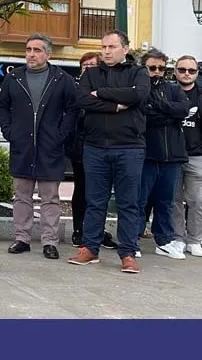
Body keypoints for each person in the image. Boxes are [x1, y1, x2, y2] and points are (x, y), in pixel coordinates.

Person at [67, 30, 150, 274]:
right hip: (95, 147)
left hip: (129, 148)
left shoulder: (138, 72)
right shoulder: (91, 73)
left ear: (125, 49)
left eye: (112, 47)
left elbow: (138, 94)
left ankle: (127, 252)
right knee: (94, 201)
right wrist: (116, 105)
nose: (106, 51)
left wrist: (101, 93)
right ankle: (90, 248)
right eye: (103, 47)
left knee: (128, 203)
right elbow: (82, 100)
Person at [0, 34, 78, 260]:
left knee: (50, 197)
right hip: (22, 147)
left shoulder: (61, 79)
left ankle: (49, 242)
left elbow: (73, 110)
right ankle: (21, 238)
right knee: (21, 195)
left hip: (50, 148)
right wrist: (9, 131)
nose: (31, 54)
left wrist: (60, 134)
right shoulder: (14, 77)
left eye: (37, 50)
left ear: (48, 54)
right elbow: (2, 107)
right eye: (29, 49)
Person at [137, 48, 190, 260]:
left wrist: (162, 107)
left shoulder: (174, 88)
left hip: (173, 156)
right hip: (147, 154)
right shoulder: (140, 90)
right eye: (152, 67)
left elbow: (184, 110)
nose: (157, 71)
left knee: (166, 201)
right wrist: (170, 113)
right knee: (139, 200)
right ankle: (132, 239)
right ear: (144, 68)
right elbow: (145, 116)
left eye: (161, 67)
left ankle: (164, 240)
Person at [68, 52, 118, 250]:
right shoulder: (75, 87)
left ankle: (97, 230)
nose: (88, 68)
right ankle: (79, 230)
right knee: (81, 189)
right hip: (80, 146)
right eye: (84, 65)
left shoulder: (106, 87)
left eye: (92, 65)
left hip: (103, 144)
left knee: (101, 192)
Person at [173, 55, 202, 257]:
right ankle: (177, 238)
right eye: (182, 69)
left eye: (191, 71)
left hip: (197, 155)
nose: (186, 74)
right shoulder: (167, 92)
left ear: (197, 73)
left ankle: (195, 239)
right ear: (175, 71)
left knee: (197, 201)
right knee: (173, 200)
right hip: (173, 156)